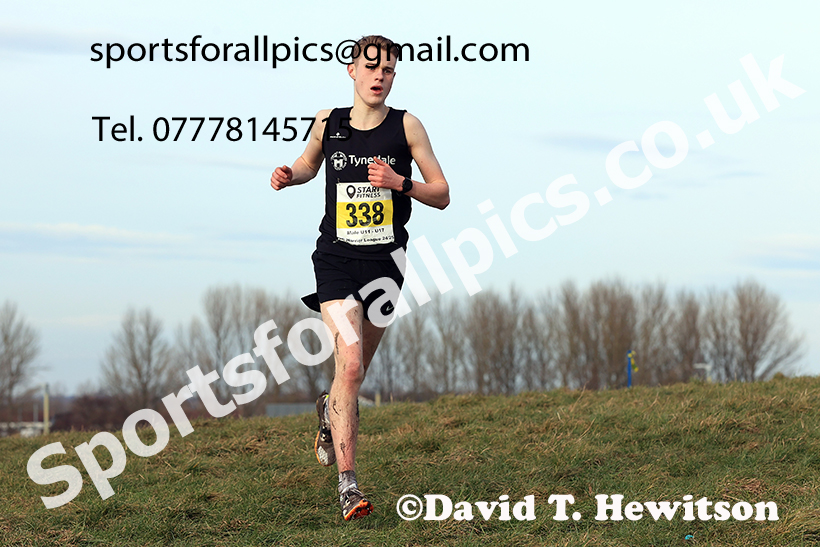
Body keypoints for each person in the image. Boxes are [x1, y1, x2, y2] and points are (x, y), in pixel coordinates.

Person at [270, 34, 449, 521]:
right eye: (371, 67)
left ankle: (329, 411)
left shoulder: (406, 127)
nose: (379, 76)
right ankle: (349, 487)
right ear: (351, 70)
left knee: (357, 369)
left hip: (387, 264)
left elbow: (442, 192)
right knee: (349, 366)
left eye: (388, 70)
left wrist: (400, 184)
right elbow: (310, 163)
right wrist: (291, 174)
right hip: (336, 259)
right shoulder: (328, 123)